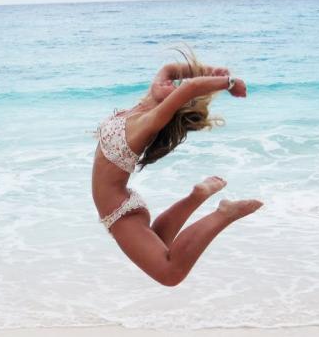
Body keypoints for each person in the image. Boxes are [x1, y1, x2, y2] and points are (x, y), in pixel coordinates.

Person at [92, 49, 262, 286]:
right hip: (121, 204)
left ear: (172, 105)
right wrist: (209, 71)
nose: (170, 84)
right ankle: (196, 196)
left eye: (174, 90)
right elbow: (171, 70)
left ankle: (224, 214)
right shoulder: (145, 103)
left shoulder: (150, 120)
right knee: (159, 245)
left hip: (118, 211)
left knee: (170, 274)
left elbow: (189, 88)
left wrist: (229, 83)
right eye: (170, 83)